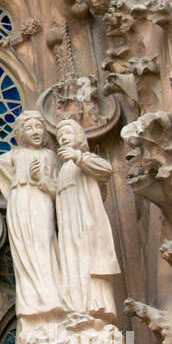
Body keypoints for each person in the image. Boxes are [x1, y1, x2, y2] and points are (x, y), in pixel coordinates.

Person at [0, 110, 64, 322]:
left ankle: (51, 298)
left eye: (39, 127)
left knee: (44, 247)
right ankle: (32, 302)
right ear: (20, 132)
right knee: (24, 252)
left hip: (41, 202)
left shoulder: (50, 156)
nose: (35, 132)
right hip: (19, 203)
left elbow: (60, 190)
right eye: (29, 127)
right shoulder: (15, 155)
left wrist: (41, 178)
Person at [55, 118, 120, 319]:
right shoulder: (63, 169)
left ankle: (97, 306)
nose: (63, 138)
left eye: (67, 133)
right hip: (68, 226)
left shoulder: (84, 159)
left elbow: (106, 170)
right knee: (72, 261)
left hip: (86, 221)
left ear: (79, 137)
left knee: (90, 260)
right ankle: (77, 306)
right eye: (59, 136)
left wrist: (79, 157)